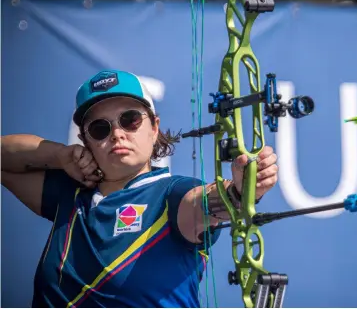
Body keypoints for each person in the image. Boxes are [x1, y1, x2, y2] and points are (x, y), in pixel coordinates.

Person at [1, 70, 279, 308]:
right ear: (85, 140)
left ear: (154, 127)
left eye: (130, 119)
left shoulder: (173, 194)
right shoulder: (69, 195)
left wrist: (241, 191)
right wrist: (60, 155)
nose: (117, 133)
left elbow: (208, 204)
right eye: (99, 128)